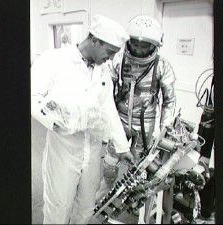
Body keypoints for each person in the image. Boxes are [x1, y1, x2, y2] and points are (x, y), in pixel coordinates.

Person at [31, 15, 135, 224]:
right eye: (110, 52)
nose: (111, 59)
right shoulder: (54, 60)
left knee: (87, 206)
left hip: (92, 149)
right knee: (58, 206)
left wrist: (122, 147)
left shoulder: (103, 72)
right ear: (94, 41)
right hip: (63, 149)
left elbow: (109, 111)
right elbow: (32, 96)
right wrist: (58, 120)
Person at [96, 15, 177, 205]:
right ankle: (102, 201)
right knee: (109, 166)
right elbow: (105, 89)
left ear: (154, 46)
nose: (139, 50)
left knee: (141, 169)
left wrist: (165, 127)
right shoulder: (118, 60)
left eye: (144, 46)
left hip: (145, 126)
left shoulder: (162, 66)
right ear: (128, 42)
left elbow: (169, 100)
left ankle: (137, 205)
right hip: (120, 121)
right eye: (135, 44)